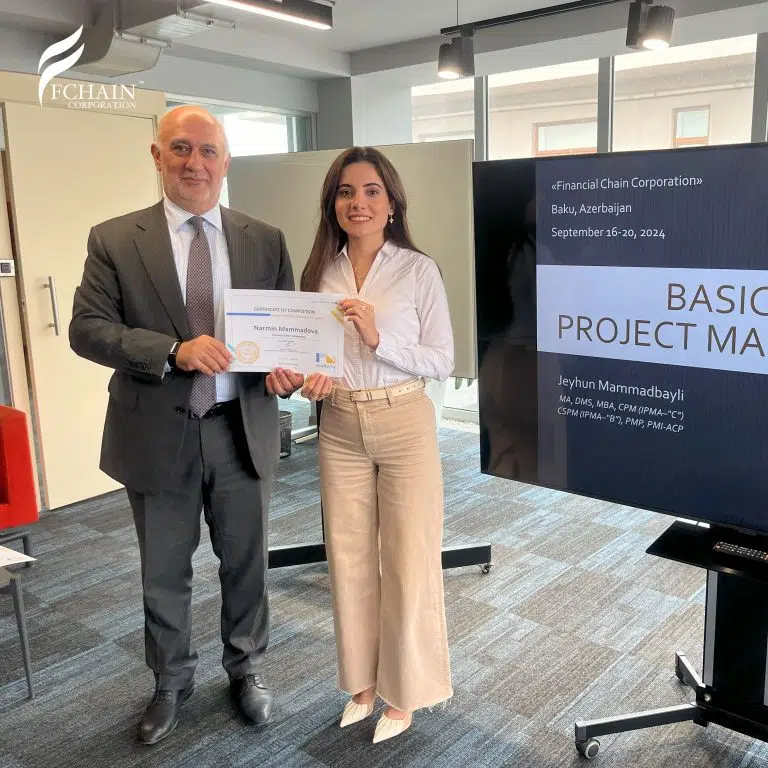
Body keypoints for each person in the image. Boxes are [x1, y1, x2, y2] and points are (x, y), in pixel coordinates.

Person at [69, 106, 303, 745]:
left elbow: (284, 335)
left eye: (207, 151)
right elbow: (87, 330)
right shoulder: (115, 239)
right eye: (180, 148)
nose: (194, 163)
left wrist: (288, 372)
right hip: (156, 433)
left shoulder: (264, 238)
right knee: (165, 571)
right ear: (157, 156)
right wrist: (173, 351)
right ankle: (170, 681)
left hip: (241, 429)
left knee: (246, 563)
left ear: (225, 162)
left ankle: (246, 669)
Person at [299, 147, 454, 744]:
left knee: (409, 558)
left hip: (403, 420)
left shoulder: (417, 270)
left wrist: (376, 336)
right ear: (332, 204)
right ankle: (362, 684)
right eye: (345, 192)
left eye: (370, 191)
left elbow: (442, 360)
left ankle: (404, 692)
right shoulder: (321, 271)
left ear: (391, 204)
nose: (357, 203)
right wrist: (307, 375)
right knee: (348, 557)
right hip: (339, 424)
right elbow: (314, 356)